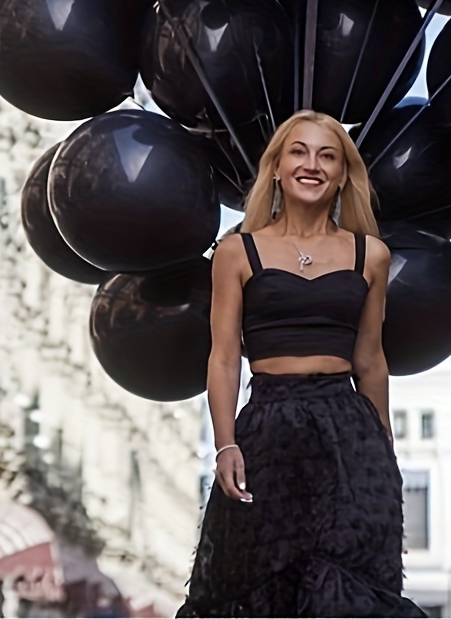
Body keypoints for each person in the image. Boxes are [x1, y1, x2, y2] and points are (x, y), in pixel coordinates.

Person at [176, 110, 425, 618]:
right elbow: (224, 357)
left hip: (347, 433)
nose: (312, 164)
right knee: (253, 583)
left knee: (347, 587)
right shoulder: (237, 252)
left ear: (341, 175)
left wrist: (384, 454)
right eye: (298, 151)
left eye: (327, 155)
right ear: (276, 168)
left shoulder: (369, 255)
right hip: (268, 431)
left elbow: (370, 361)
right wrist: (226, 443)